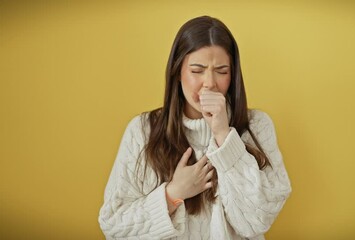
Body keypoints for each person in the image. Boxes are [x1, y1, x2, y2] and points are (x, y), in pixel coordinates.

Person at [98, 15, 292, 240]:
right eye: (197, 70)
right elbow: (113, 225)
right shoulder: (142, 130)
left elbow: (257, 222)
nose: (210, 82)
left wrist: (223, 135)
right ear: (177, 72)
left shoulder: (257, 127)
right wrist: (173, 194)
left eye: (222, 71)